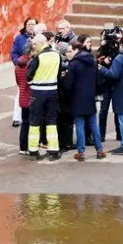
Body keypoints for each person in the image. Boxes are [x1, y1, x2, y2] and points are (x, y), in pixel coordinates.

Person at [64, 36, 105, 161]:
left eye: (70, 50)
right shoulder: (92, 61)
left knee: (80, 125)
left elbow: (68, 85)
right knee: (93, 124)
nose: (68, 52)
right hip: (90, 98)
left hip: (77, 99)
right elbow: (98, 81)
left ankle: (81, 152)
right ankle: (100, 150)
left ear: (76, 50)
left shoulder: (74, 64)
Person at [25, 33, 63, 161]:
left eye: (35, 44)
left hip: (37, 93)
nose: (33, 46)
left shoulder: (38, 57)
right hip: (52, 91)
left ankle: (33, 151)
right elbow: (58, 74)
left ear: (42, 43)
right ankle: (54, 150)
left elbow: (28, 76)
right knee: (51, 121)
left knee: (35, 121)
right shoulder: (57, 55)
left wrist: (33, 85)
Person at [9, 17, 37, 127]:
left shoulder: (39, 38)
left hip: (35, 68)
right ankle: (17, 118)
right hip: (23, 68)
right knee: (21, 92)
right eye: (29, 24)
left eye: (33, 24)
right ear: (25, 25)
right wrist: (18, 63)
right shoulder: (19, 38)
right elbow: (13, 53)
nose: (31, 26)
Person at [53, 41, 76, 152]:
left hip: (64, 97)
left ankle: (66, 142)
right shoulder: (63, 64)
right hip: (63, 97)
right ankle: (66, 142)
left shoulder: (66, 63)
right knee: (65, 120)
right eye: (67, 51)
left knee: (65, 121)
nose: (69, 53)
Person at [14, 39, 34, 155]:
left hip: (22, 96)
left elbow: (18, 81)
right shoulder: (31, 64)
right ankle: (30, 146)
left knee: (25, 123)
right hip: (31, 96)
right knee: (32, 123)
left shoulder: (18, 65)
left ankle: (23, 147)